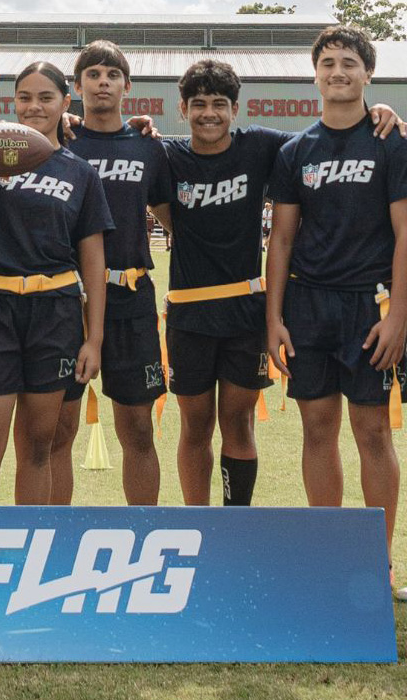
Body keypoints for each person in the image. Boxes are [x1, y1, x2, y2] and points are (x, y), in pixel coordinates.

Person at [163, 59, 404, 507]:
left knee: (240, 423)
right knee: (195, 425)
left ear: (236, 109)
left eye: (219, 104)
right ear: (182, 108)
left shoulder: (264, 146)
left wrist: (383, 112)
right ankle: (198, 526)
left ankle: (239, 521)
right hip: (191, 312)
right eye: (198, 104)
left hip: (248, 311)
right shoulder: (167, 153)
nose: (209, 113)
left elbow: (333, 139)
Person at [267, 25, 407, 578]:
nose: (338, 72)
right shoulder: (295, 150)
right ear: (315, 73)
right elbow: (280, 239)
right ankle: (330, 561)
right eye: (328, 63)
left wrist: (399, 314)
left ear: (368, 74)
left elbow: (404, 234)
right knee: (317, 429)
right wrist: (273, 317)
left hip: (368, 308)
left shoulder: (392, 142)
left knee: (372, 431)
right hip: (307, 306)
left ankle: (376, 565)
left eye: (349, 62)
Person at [0, 61, 114, 505]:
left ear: (66, 103)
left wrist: (94, 338)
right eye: (24, 97)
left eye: (46, 98)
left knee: (39, 446)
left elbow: (93, 258)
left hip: (55, 311)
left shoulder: (79, 172)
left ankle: (33, 549)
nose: (34, 106)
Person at [48, 41, 172, 505]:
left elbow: (171, 215)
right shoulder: (56, 141)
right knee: (58, 429)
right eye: (93, 74)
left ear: (127, 85)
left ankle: (144, 534)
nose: (103, 82)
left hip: (129, 296)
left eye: (112, 74)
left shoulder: (149, 147)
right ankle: (54, 537)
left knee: (139, 429)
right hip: (64, 300)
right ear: (76, 87)